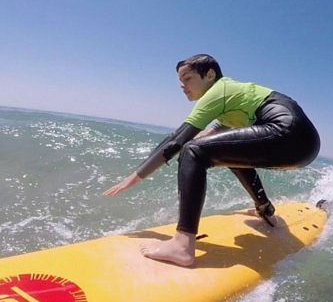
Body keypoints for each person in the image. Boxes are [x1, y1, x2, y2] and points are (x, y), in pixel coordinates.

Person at [103, 54, 320, 266]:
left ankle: (182, 244)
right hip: (304, 144)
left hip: (288, 132)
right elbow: (206, 138)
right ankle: (266, 211)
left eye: (187, 78)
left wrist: (134, 177)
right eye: (180, 81)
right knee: (227, 153)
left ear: (209, 74)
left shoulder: (218, 91)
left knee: (193, 151)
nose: (182, 86)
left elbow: (178, 141)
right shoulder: (230, 100)